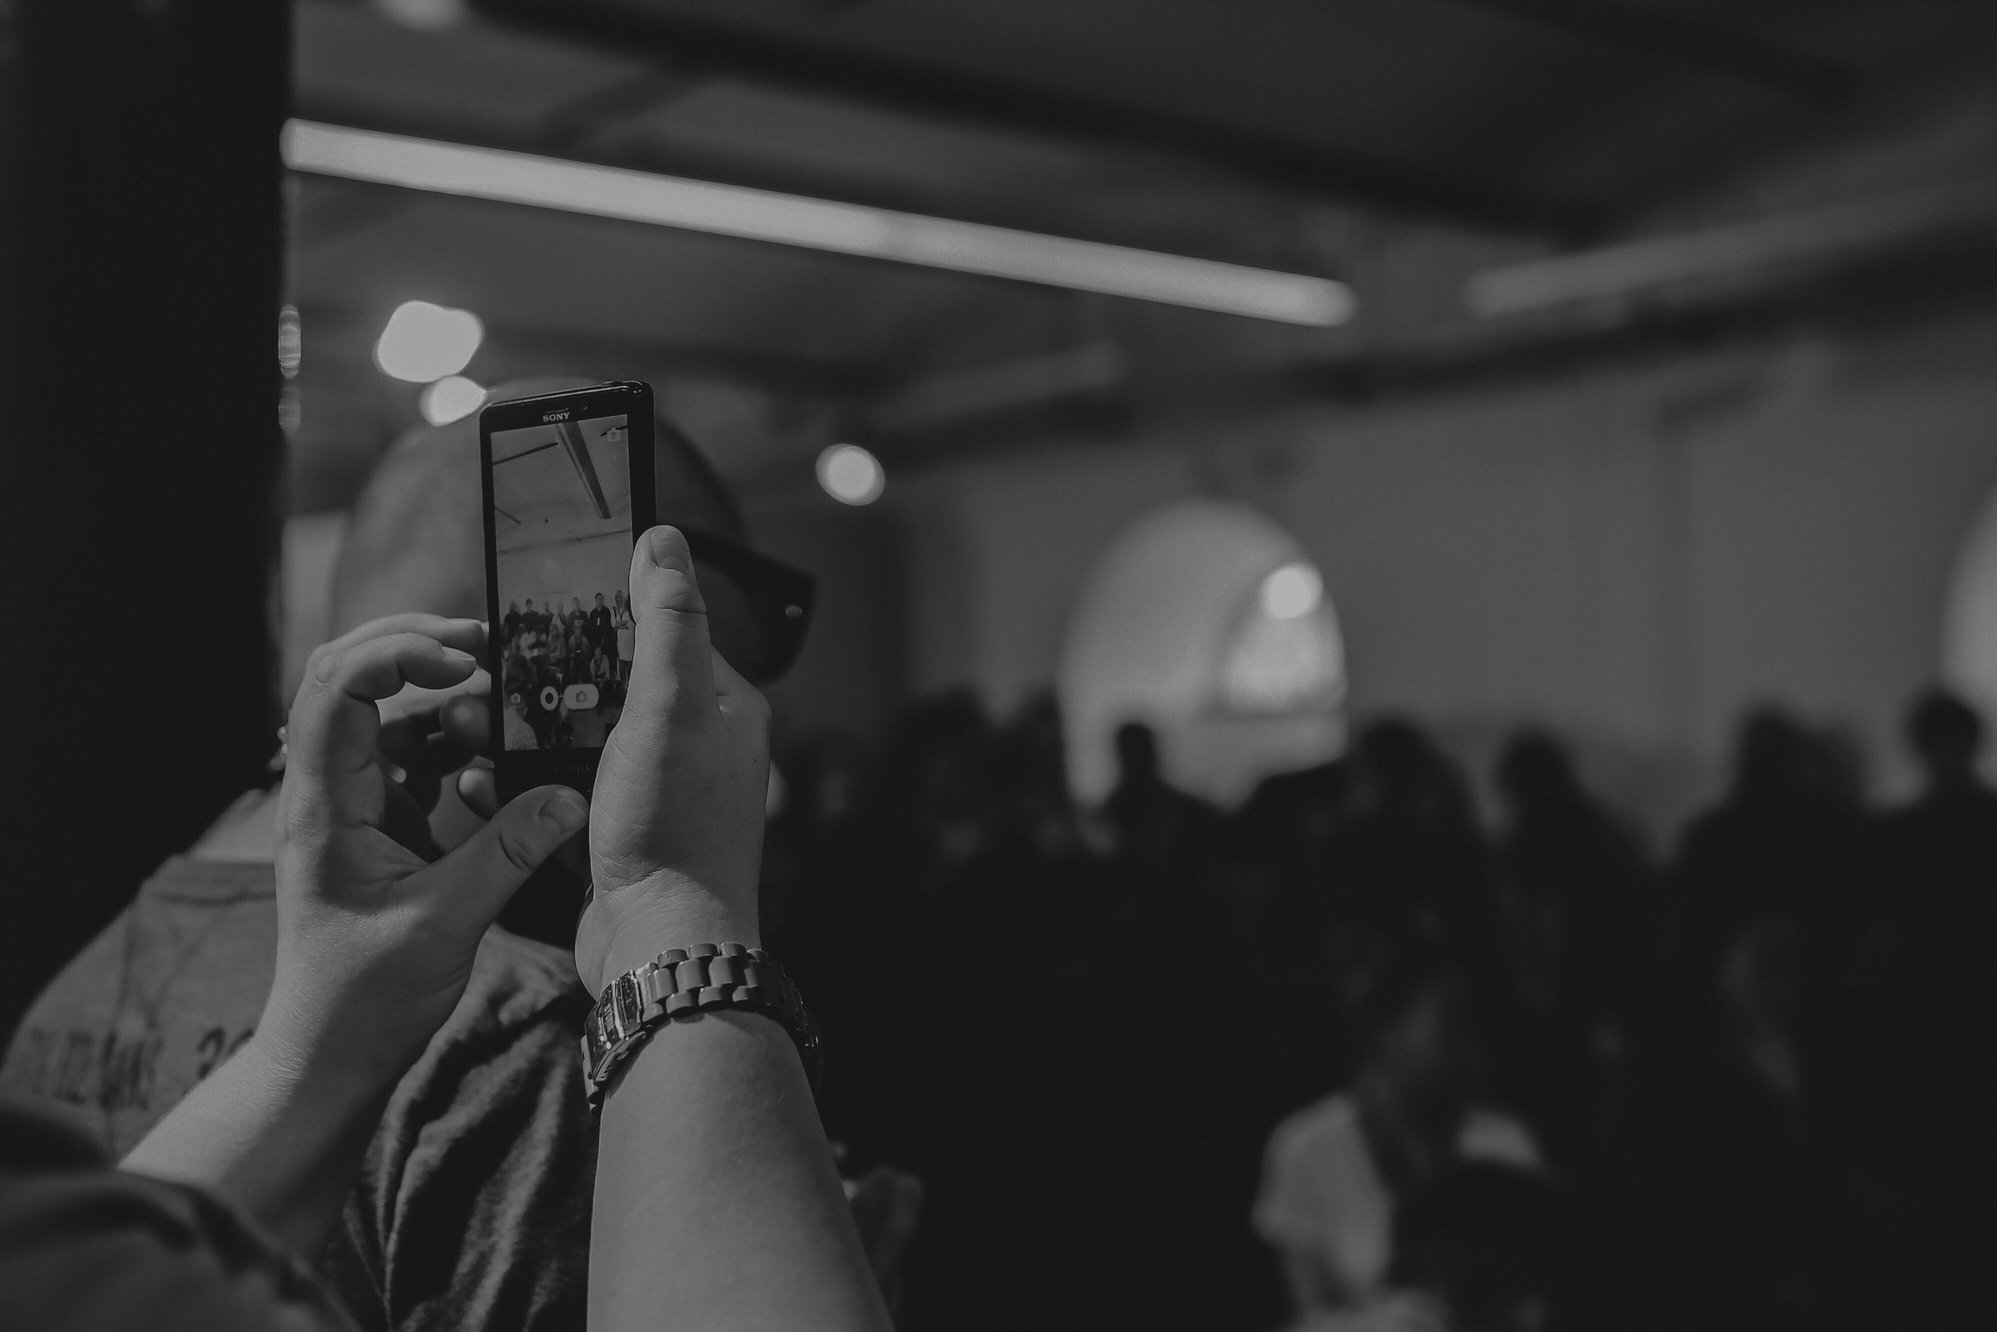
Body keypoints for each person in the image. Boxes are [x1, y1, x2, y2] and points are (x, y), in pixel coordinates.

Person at [0, 377, 890, 1332]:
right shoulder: (528, 1051)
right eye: (700, 704)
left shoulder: (86, 972)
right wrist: (783, 1236)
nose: (755, 781)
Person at [1254, 958, 1540, 1325]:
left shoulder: (1506, 1144)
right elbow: (1306, 1320)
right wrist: (1375, 1325)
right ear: (1388, 1030)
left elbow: (1545, 1290)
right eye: (1449, 1026)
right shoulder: (1306, 1149)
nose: (1468, 1046)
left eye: (1471, 1027)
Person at [613, 588, 635, 690]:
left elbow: (631, 624)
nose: (619, 599)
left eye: (620, 597)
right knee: (622, 675)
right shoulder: (615, 610)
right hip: (621, 644)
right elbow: (614, 625)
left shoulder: (630, 610)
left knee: (631, 673)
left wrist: (621, 624)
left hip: (629, 643)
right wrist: (623, 623)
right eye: (617, 597)